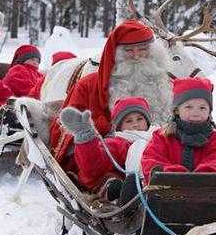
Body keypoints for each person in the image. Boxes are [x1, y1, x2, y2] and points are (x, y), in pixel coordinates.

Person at [49, 20, 172, 173]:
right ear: (116, 53)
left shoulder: (165, 83)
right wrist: (99, 129)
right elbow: (65, 129)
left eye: (142, 49)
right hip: (110, 161)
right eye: (129, 51)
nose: (136, 56)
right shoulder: (88, 85)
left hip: (162, 159)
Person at [140, 77, 216, 183]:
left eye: (202, 108)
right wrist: (174, 175)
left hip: (204, 192)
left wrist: (205, 175)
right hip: (166, 192)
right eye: (189, 107)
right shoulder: (162, 137)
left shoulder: (214, 139)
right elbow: (152, 159)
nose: (196, 113)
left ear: (209, 111)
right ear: (177, 110)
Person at [59, 97, 155, 199]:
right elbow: (94, 165)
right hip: (126, 187)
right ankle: (115, 195)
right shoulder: (118, 143)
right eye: (129, 121)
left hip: (154, 183)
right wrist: (86, 140)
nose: (135, 124)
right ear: (119, 127)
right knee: (113, 180)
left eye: (139, 119)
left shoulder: (157, 139)